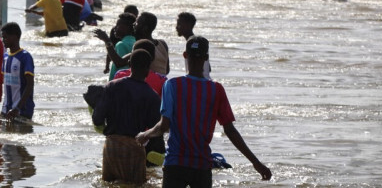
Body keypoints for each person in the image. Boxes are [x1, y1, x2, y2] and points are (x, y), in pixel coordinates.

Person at [136, 36, 273, 185]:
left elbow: (164, 126)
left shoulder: (172, 85)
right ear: (206, 58)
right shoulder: (216, 89)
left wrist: (145, 134)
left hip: (175, 163)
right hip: (201, 165)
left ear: (185, 55)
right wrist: (256, 163)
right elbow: (230, 130)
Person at [92, 49, 162, 185]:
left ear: (129, 64)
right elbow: (156, 131)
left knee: (108, 184)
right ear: (149, 69)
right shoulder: (152, 96)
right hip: (135, 148)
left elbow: (97, 119)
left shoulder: (111, 87)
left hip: (111, 147)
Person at [1, 22, 35, 120]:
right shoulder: (5, 58)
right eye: (2, 37)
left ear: (15, 37)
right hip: (6, 110)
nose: (3, 40)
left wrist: (17, 108)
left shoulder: (25, 57)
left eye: (5, 37)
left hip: (22, 111)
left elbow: (30, 85)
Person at [93, 13, 137, 80]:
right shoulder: (135, 42)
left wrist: (107, 40)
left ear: (127, 27)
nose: (115, 28)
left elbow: (120, 65)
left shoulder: (121, 44)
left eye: (118, 25)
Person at [176, 12, 211, 79]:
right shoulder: (200, 43)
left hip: (198, 82)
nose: (176, 27)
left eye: (179, 24)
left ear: (188, 25)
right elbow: (209, 68)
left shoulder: (192, 45)